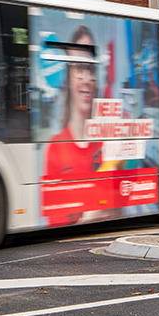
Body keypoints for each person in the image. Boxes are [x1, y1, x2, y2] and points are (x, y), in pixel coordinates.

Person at [42, 25, 104, 226]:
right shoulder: (56, 148)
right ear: (68, 77)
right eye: (79, 68)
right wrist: (87, 217)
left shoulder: (108, 142)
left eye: (90, 68)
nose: (86, 79)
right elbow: (55, 220)